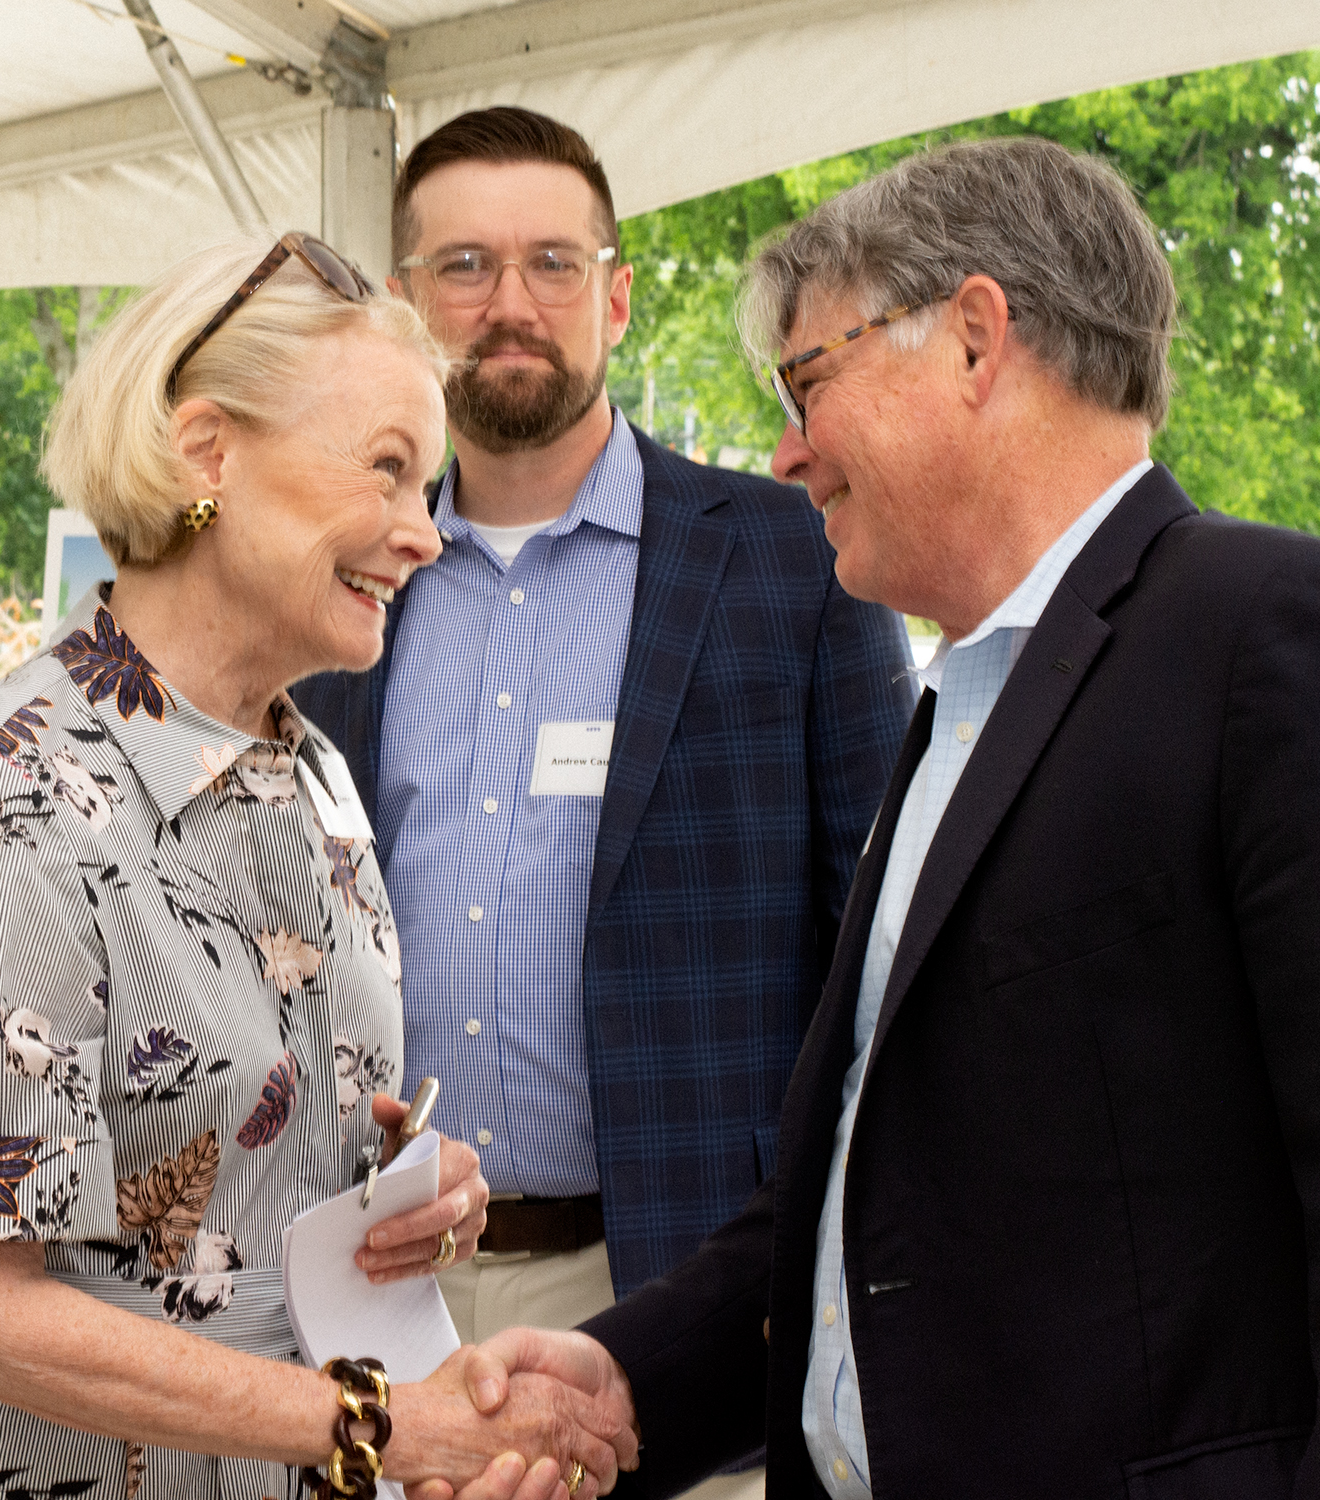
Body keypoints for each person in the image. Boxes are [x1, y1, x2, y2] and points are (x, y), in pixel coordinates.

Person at [447, 136, 1320, 1500]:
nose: (788, 451)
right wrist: (634, 1376)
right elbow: (878, 1175)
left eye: (810, 382)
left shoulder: (1287, 639)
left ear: (975, 341)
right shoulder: (956, 705)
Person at [0, 234, 636, 1500]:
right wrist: (384, 1428)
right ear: (208, 453)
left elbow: (242, 1172)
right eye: (389, 472)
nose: (425, 536)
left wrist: (406, 1196)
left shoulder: (316, 778)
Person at [288, 113, 910, 1496]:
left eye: (552, 263)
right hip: (380, 1295)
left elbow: (883, 960)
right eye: (463, 265)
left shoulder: (793, 563)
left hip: (687, 1302)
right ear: (403, 302)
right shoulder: (332, 581)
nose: (510, 304)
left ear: (617, 296)